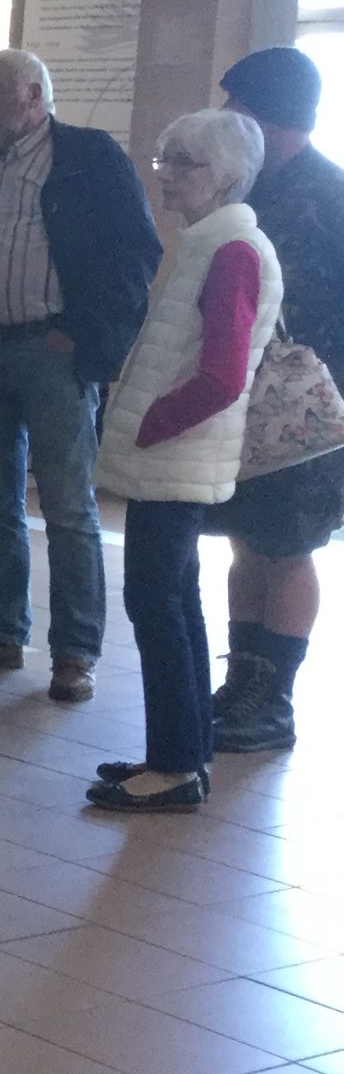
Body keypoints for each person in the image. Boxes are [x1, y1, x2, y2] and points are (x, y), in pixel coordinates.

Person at [0, 49, 159, 703]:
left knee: (68, 508)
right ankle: (1, 633)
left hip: (52, 354)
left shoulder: (88, 157)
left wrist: (84, 335)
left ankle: (75, 651)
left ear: (34, 96)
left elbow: (135, 252)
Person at [88, 111, 283, 812]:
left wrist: (150, 425)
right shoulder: (210, 244)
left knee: (155, 604)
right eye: (164, 158)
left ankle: (174, 767)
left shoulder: (232, 251)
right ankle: (185, 750)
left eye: (184, 163)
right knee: (173, 602)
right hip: (174, 455)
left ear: (225, 176)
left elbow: (222, 375)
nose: (165, 175)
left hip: (176, 455)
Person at [210, 47, 344, 754]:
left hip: (312, 409)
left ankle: (274, 697)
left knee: (289, 547)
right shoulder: (246, 193)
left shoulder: (332, 195)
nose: (226, 118)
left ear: (270, 114)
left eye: (236, 106)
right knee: (246, 541)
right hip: (244, 400)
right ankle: (243, 682)